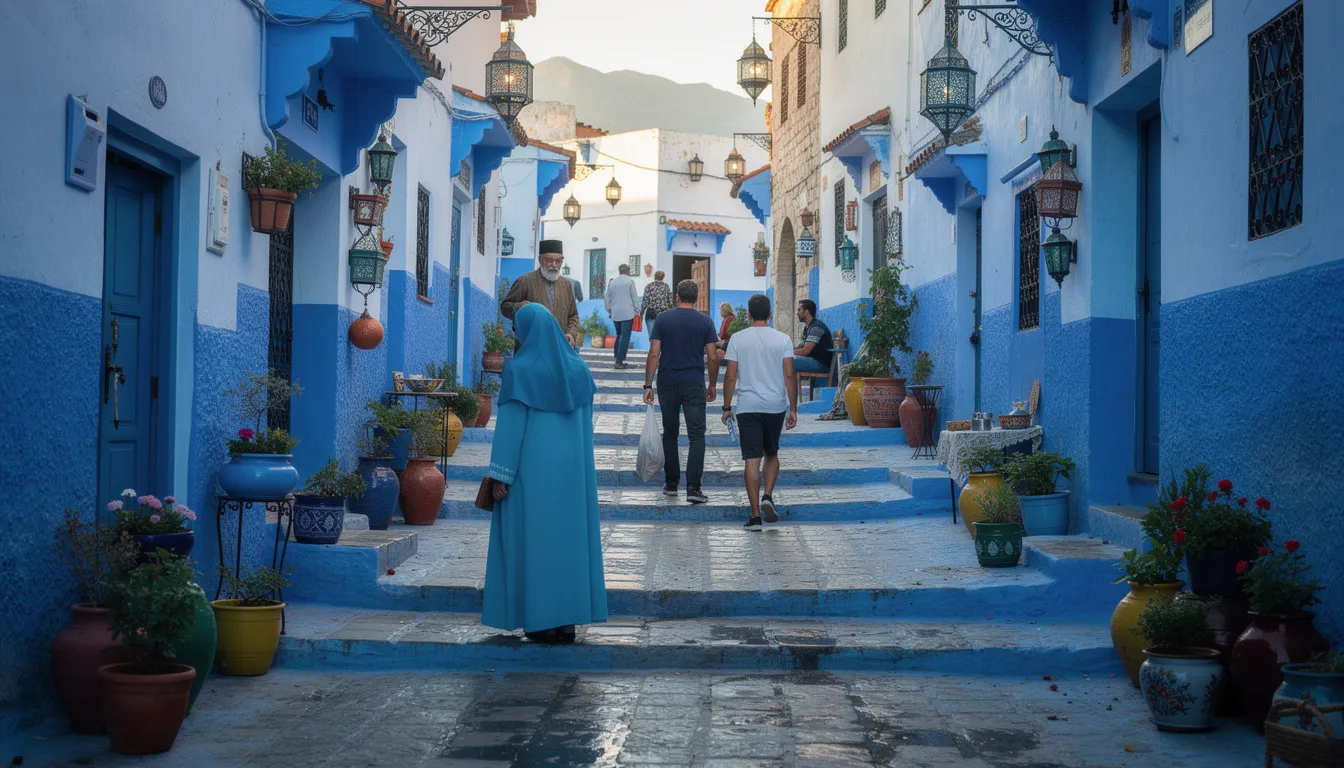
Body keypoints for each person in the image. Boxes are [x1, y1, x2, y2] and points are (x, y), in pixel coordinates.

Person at [483, 304, 607, 643]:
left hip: (530, 474)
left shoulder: (520, 371)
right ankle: (567, 621)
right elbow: (584, 426)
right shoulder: (579, 370)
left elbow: (510, 430)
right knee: (567, 541)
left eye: (516, 330)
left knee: (535, 540)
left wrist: (500, 475)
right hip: (572, 474)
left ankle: (539, 621)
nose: (515, 336)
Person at [721, 294, 798, 530]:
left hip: (748, 406)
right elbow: (788, 374)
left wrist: (726, 407)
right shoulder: (783, 339)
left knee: (751, 459)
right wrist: (793, 408)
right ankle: (768, 496)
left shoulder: (737, 338)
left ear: (749, 314)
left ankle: (755, 516)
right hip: (775, 406)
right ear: (770, 314)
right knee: (772, 453)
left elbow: (731, 375)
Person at [642, 279, 719, 504]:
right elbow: (713, 356)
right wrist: (712, 384)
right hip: (694, 382)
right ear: (696, 299)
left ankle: (672, 483)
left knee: (670, 433)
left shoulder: (663, 319)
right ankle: (694, 488)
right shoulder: (705, 321)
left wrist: (648, 385)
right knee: (697, 435)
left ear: (677, 296)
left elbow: (654, 353)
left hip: (667, 382)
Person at [500, 240, 581, 346]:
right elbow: (505, 307)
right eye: (549, 260)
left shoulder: (566, 285)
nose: (554, 265)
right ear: (540, 260)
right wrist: (519, 307)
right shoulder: (525, 281)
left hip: (559, 347)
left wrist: (570, 334)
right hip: (530, 347)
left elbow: (573, 315)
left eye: (558, 261)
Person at [605, 263, 639, 369]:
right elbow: (634, 297)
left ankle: (617, 357)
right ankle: (619, 361)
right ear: (628, 271)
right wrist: (637, 310)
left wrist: (609, 309)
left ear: (619, 271)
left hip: (615, 312)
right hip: (627, 313)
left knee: (618, 334)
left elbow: (607, 298)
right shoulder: (630, 281)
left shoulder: (612, 282)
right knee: (625, 336)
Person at [793, 299, 834, 375]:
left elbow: (805, 351)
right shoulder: (807, 328)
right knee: (786, 359)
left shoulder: (816, 328)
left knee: (788, 359)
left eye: (799, 310)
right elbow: (800, 348)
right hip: (812, 360)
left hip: (820, 364)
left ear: (806, 312)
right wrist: (786, 349)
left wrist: (786, 353)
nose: (797, 313)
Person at [639, 269, 674, 337]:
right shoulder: (666, 286)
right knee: (662, 337)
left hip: (651, 314)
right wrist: (673, 313)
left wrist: (641, 314)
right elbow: (670, 302)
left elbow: (645, 301)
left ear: (655, 277)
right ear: (663, 277)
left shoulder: (649, 286)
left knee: (652, 337)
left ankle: (653, 347)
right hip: (664, 315)